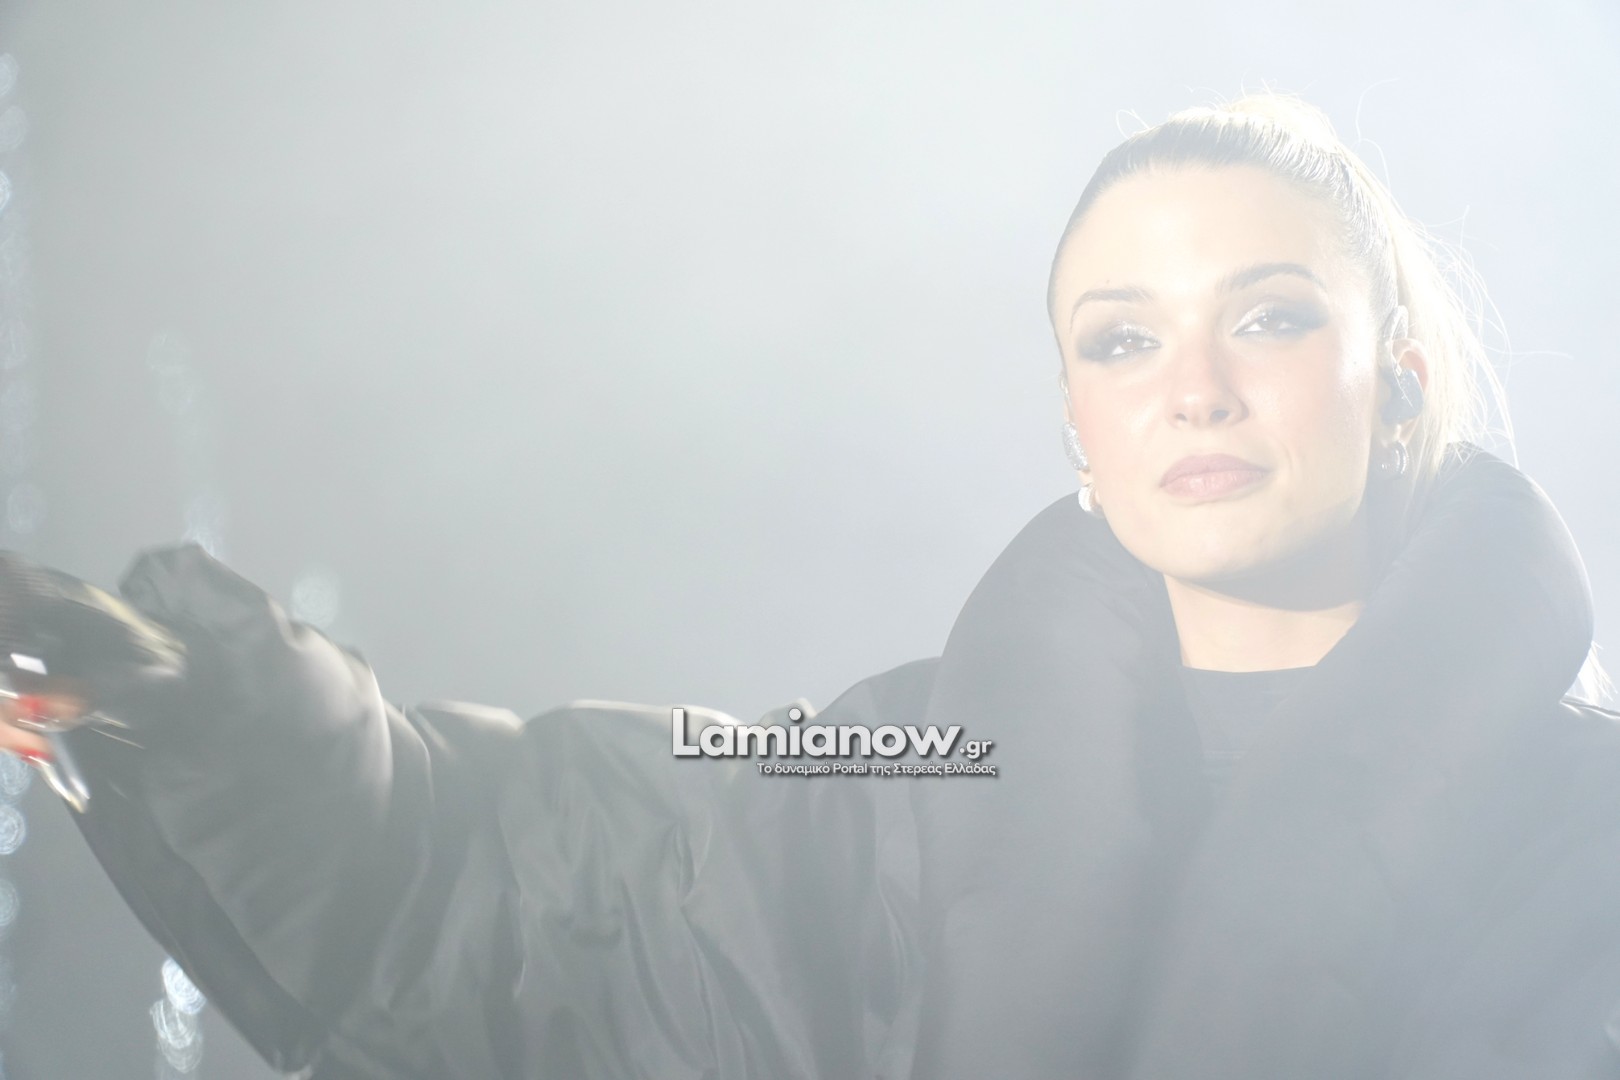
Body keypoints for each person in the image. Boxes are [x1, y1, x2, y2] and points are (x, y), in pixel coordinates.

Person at [2, 90, 1619, 1079]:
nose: (1192, 390)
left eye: (1267, 318)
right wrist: (213, 714)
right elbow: (507, 885)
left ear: (1399, 379)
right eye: (1124, 339)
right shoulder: (903, 768)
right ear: (1077, 417)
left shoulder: (1586, 829)